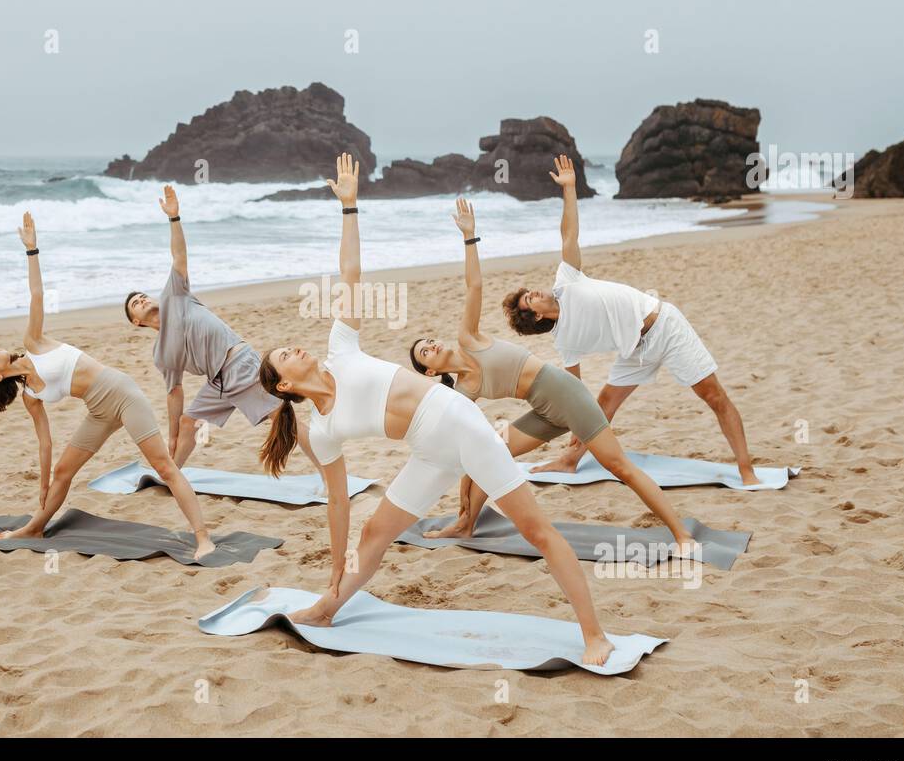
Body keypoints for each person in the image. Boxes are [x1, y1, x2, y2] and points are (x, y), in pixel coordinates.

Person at [257, 153, 616, 666]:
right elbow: (338, 500)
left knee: (537, 531)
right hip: (429, 452)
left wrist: (350, 208)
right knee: (375, 532)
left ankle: (593, 634)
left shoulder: (342, 347)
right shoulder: (320, 430)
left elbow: (350, 272)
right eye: (283, 357)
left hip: (462, 425)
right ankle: (328, 606)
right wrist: (337, 561)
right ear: (287, 385)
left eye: (289, 345)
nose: (293, 348)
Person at [409, 198, 696, 551]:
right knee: (488, 454)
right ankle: (465, 524)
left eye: (430, 341)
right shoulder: (463, 391)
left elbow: (474, 286)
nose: (433, 345)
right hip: (543, 409)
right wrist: (459, 479)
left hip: (565, 394)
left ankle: (681, 533)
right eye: (426, 351)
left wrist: (469, 238)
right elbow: (461, 435)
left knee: (619, 466)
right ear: (430, 371)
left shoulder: (469, 339)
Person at [0, 212, 216, 560]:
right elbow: (45, 441)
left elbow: (36, 296)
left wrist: (32, 252)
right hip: (98, 411)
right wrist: (43, 481)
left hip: (121, 394)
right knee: (64, 471)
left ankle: (202, 537)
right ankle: (35, 526)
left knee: (164, 468)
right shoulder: (30, 396)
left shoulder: (33, 340)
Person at [502, 155, 761, 486]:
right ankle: (569, 461)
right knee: (602, 404)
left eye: (530, 292)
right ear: (536, 315)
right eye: (530, 298)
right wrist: (578, 422)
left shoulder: (566, 282)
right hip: (635, 350)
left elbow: (569, 235)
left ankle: (746, 470)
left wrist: (569, 190)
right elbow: (575, 390)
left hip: (665, 327)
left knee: (713, 397)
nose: (535, 292)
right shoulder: (564, 341)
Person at [125, 185, 321, 474]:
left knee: (284, 419)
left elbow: (179, 257)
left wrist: (174, 218)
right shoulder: (161, 354)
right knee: (188, 423)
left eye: (142, 295)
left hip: (240, 364)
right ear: (136, 322)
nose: (141, 299)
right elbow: (174, 392)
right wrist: (173, 434)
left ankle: (327, 472)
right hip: (219, 381)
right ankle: (172, 477)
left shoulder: (174, 296)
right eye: (134, 304)